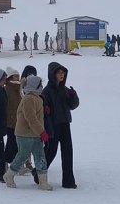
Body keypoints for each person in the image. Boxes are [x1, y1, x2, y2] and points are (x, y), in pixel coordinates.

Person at [4, 75, 52, 190]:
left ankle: (43, 182)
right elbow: (31, 118)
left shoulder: (37, 98)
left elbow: (37, 116)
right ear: (34, 86)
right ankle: (9, 175)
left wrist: (44, 112)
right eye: (40, 84)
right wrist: (42, 132)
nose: (42, 86)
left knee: (40, 156)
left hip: (35, 133)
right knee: (22, 155)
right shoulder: (29, 98)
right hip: (24, 134)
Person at [42, 61, 80, 189]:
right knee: (50, 152)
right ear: (52, 74)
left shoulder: (64, 89)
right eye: (59, 72)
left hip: (65, 124)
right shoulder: (47, 91)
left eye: (63, 72)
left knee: (68, 152)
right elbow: (45, 112)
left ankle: (68, 181)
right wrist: (47, 128)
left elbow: (72, 106)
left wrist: (74, 96)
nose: (61, 75)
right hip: (52, 125)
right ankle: (39, 174)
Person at [2, 68, 22, 168]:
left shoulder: (19, 88)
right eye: (15, 76)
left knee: (17, 142)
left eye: (18, 75)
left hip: (19, 119)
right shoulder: (6, 89)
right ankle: (6, 161)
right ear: (10, 77)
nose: (18, 77)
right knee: (12, 142)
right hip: (10, 120)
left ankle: (14, 163)